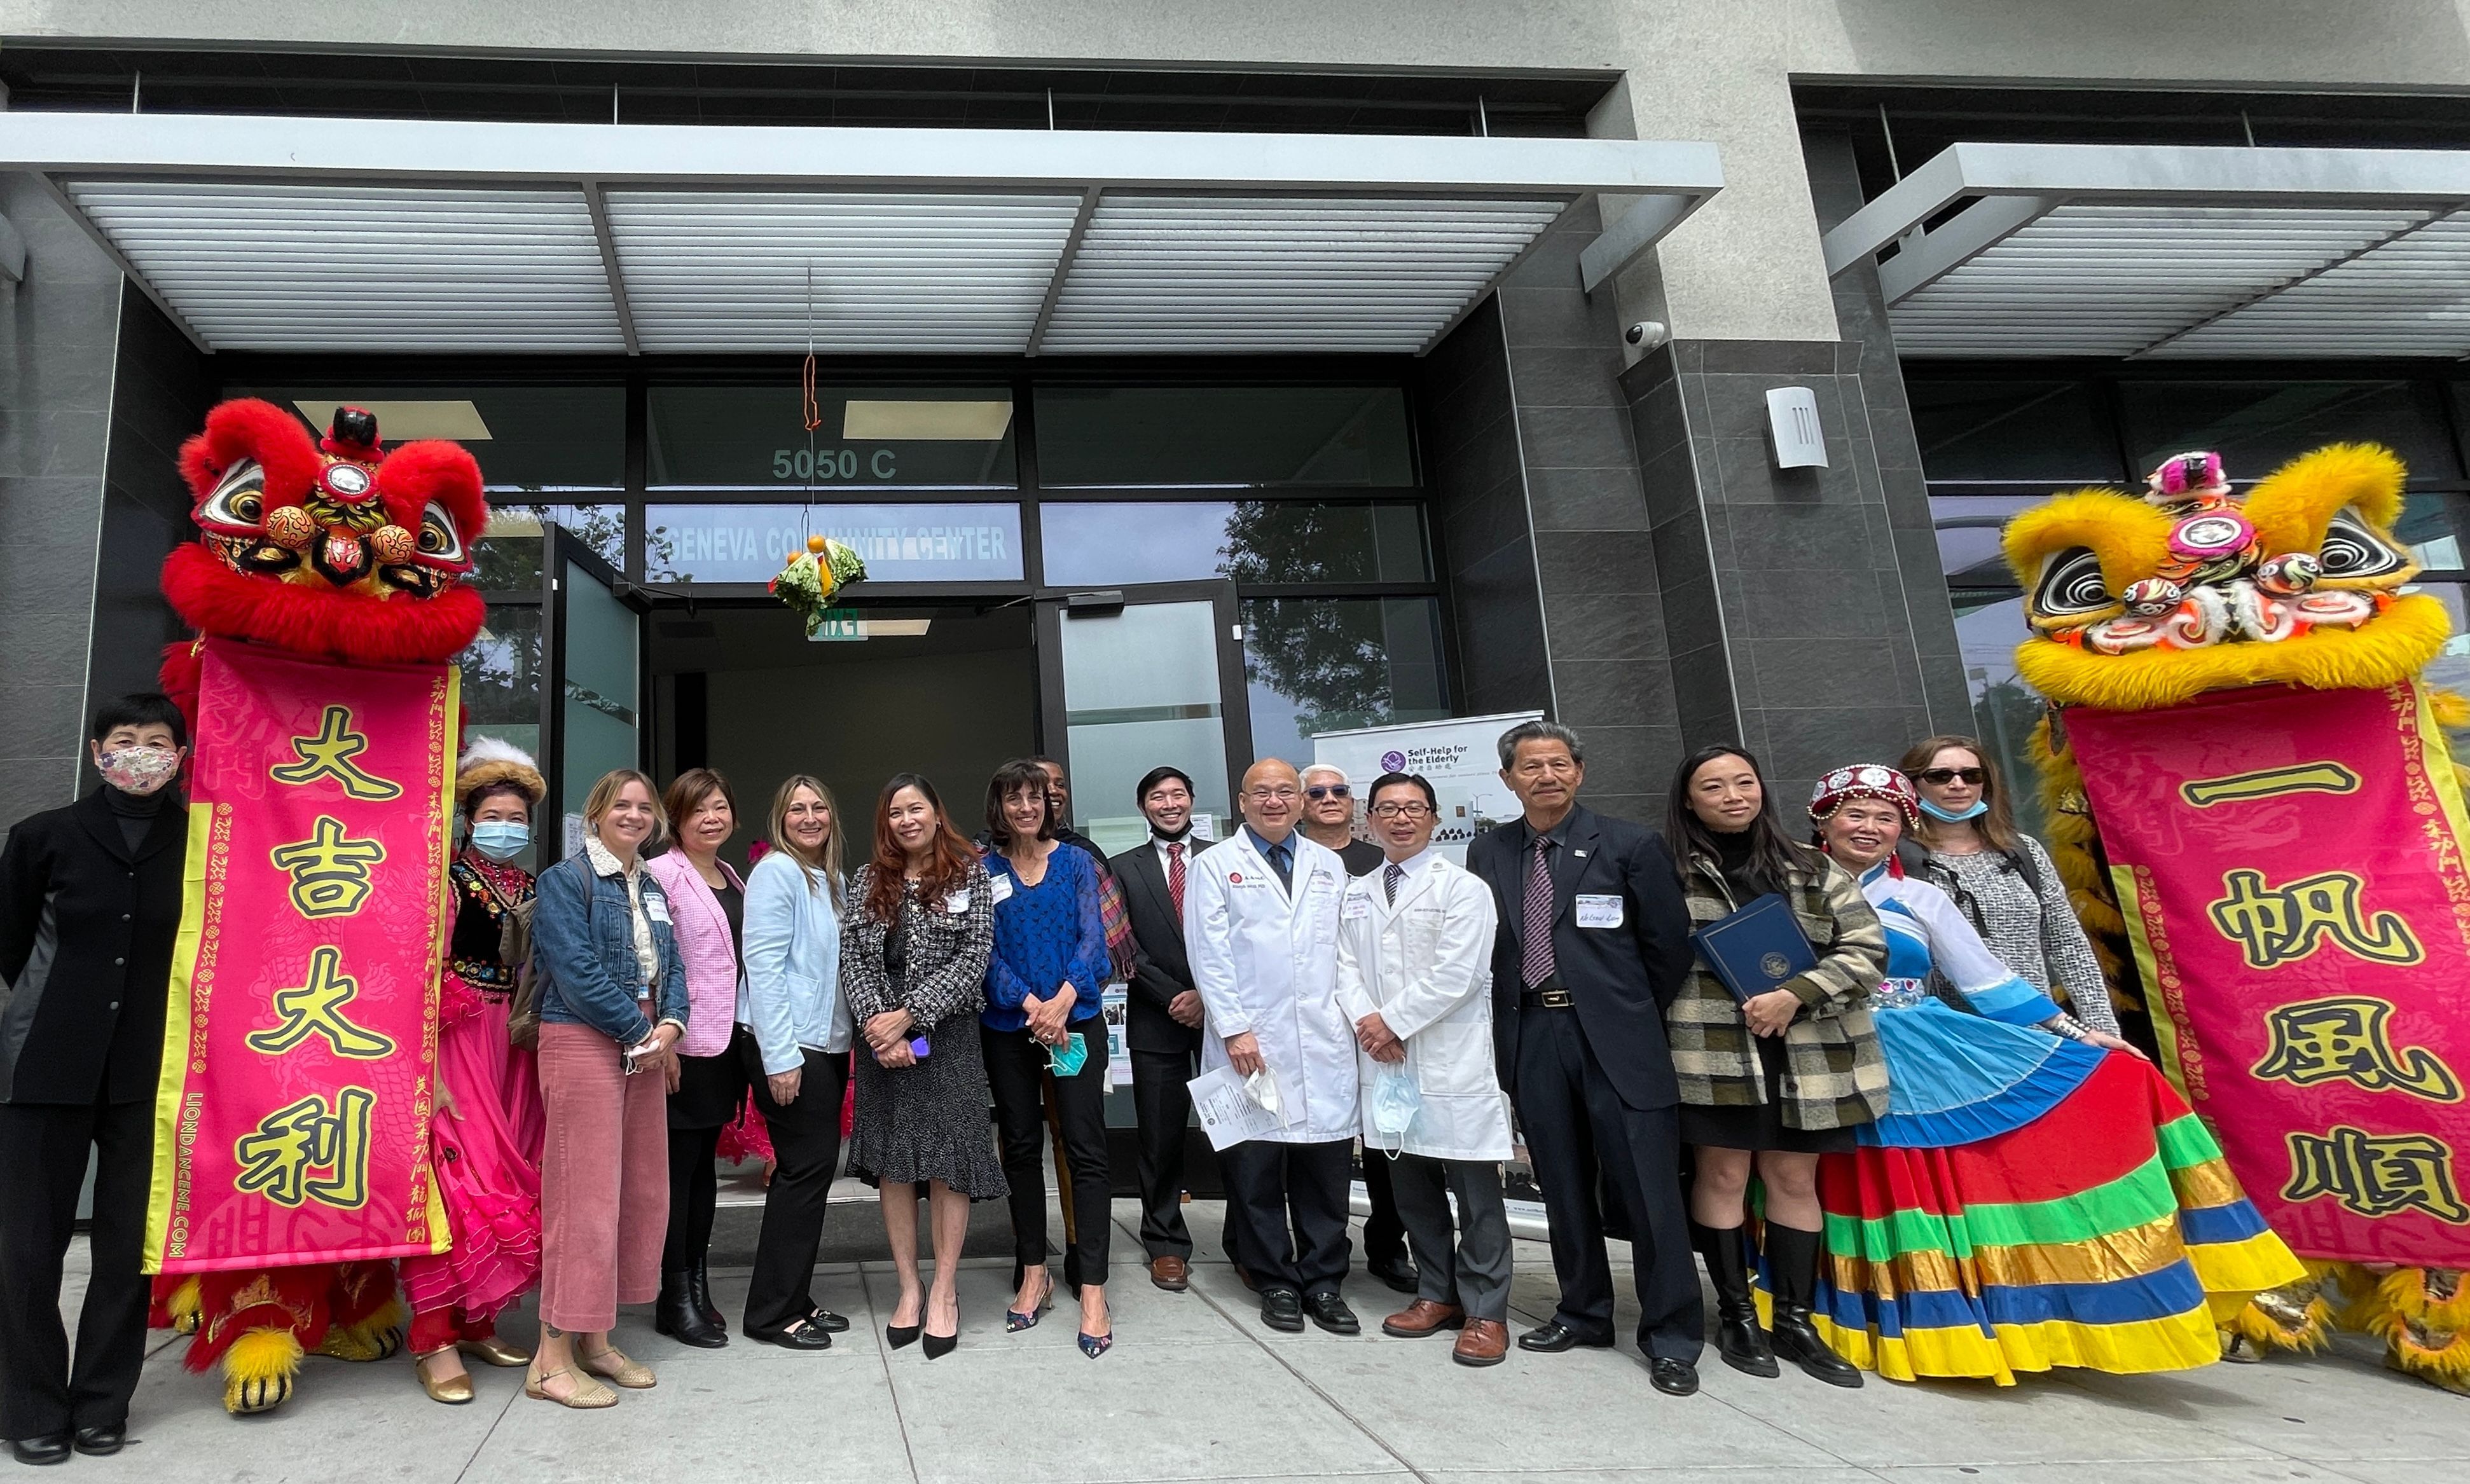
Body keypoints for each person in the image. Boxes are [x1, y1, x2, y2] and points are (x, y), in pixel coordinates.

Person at [1805, 764, 2304, 1383]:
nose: (1869, 828)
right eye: (1854, 813)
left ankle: (1932, 1323)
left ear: (1904, 828)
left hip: (1916, 1056)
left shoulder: (1920, 897)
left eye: (1885, 818)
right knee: (1832, 1180)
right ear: (1822, 819)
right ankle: (1828, 1314)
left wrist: (2073, 1032)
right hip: (1817, 1046)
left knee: (1912, 1179)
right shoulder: (1786, 885)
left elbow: (1984, 981)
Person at [1465, 721, 1702, 1397]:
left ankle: (1671, 1337)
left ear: (1579, 772)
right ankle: (1582, 1312)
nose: (1546, 776)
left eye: (1558, 764)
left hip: (1616, 1038)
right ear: (1507, 778)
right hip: (1531, 1036)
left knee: (1647, 1193)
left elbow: (1667, 946)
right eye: (1530, 766)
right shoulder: (1489, 850)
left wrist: (1620, 1009)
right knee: (1562, 1186)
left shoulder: (1629, 844)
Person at [0, 696, 188, 1463]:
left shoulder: (204, 839)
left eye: (157, 742)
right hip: (45, 1064)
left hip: (154, 1069)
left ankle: (103, 1402)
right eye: (124, 741)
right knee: (27, 1244)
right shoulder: (44, 837)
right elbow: (9, 948)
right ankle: (32, 1405)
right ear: (96, 750)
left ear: (180, 754)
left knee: (124, 1246)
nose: (140, 754)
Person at [1665, 745, 1887, 1391]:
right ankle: (1735, 1314)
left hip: (1807, 1051)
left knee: (1794, 1181)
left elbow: (1867, 949)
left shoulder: (1811, 867)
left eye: (1743, 782)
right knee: (1723, 1173)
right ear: (1688, 800)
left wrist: (1798, 992)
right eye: (1713, 786)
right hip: (1708, 1051)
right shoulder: (1667, 871)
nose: (1733, 795)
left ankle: (1794, 1319)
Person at [1335, 773, 1512, 1368]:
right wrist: (1368, 1022)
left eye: (1413, 808)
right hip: (1385, 1060)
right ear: (1369, 821)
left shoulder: (1464, 889)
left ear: (1435, 818)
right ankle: (1437, 1293)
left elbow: (1459, 975)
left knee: (1476, 1194)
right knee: (1412, 1189)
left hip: (1449, 1058)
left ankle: (1487, 1309)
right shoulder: (1354, 892)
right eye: (1387, 809)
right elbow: (1341, 968)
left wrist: (1392, 1023)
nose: (1401, 819)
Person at [527, 769, 688, 1408]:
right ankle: (549, 1359)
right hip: (583, 1038)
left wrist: (670, 1024)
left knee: (637, 1190)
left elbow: (671, 966)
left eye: (644, 807)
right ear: (594, 814)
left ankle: (594, 1341)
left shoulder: (649, 884)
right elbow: (573, 972)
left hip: (642, 1039)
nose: (634, 815)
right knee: (582, 1197)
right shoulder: (564, 882)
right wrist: (639, 1031)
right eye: (620, 805)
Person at [1187, 759, 1360, 1336]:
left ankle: (1326, 1282)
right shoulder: (1214, 865)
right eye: (1262, 793)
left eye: (1288, 792)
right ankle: (1277, 1282)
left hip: (1324, 1039)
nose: (1275, 802)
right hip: (1250, 1043)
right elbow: (1207, 954)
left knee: (1325, 1172)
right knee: (1257, 1173)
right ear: (1242, 802)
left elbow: (1346, 952)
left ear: (1304, 801)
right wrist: (1234, 1029)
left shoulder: (1329, 865)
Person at [402, 739, 548, 1405]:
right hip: (455, 1036)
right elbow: (416, 970)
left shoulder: (531, 883)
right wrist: (424, 1065)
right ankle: (432, 1336)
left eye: (517, 816)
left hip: (513, 1042)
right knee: (455, 1181)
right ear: (469, 817)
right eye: (494, 814)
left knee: (512, 1173)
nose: (506, 826)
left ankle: (477, 1320)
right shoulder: (446, 878)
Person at [841, 774, 1003, 1359]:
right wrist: (879, 1027)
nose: (906, 820)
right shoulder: (866, 880)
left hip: (947, 1036)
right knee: (895, 1164)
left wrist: (910, 1017)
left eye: (916, 809)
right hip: (881, 1039)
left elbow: (974, 958)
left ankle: (945, 1291)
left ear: (937, 814)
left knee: (948, 1162)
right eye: (894, 812)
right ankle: (908, 1288)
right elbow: (854, 960)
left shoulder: (970, 875)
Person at [981, 760, 1115, 1358]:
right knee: (1019, 1147)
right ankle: (1034, 1271)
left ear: (1048, 803)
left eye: (1035, 797)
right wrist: (1030, 1004)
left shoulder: (1078, 863)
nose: (1026, 807)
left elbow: (1095, 940)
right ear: (1000, 807)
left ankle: (1093, 1287)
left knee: (1085, 1149)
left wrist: (1062, 1001)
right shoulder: (980, 871)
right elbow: (980, 951)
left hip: (1074, 1025)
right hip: (1011, 1027)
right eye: (1014, 798)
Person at [737, 774, 855, 1350]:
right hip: (790, 1048)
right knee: (802, 1173)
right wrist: (780, 1057)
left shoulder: (829, 880)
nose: (809, 818)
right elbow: (763, 967)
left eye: (819, 808)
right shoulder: (777, 873)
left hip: (826, 1046)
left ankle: (795, 1297)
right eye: (797, 809)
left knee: (812, 1173)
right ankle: (770, 1314)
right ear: (780, 819)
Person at [1899, 735, 2120, 1038]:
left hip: (2039, 1029)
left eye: (1971, 775)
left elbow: (2067, 943)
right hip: (1953, 1037)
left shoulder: (2023, 850)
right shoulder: (1897, 860)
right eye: (1940, 776)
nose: (1958, 784)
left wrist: (2102, 1027)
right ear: (1913, 785)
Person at [1110, 767, 1234, 1293]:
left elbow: (1245, 934)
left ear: (1192, 800)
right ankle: (1165, 1242)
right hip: (1155, 1017)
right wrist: (1175, 997)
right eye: (1157, 797)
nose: (1169, 804)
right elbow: (1123, 945)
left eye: (1178, 794)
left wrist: (1209, 997)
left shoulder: (1227, 858)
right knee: (1160, 1137)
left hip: (1226, 1019)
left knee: (1237, 1132)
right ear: (1143, 808)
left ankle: (1248, 1242)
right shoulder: (1121, 868)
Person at [1299, 761, 1416, 1296]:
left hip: (1378, 1023)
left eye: (1339, 791)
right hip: (1311, 1021)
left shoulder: (1381, 861)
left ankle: (1389, 1245)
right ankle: (1315, 1250)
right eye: (1316, 791)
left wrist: (1384, 1017)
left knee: (1386, 1137)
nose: (1328, 798)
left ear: (1354, 804)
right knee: (1312, 1142)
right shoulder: (1290, 860)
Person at [643, 769, 750, 1350]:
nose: (712, 818)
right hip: (679, 1046)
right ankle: (673, 1296)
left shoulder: (732, 876)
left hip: (723, 1044)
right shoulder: (662, 875)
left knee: (704, 1170)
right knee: (677, 1176)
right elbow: (650, 961)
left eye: (720, 807)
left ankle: (699, 1286)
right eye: (698, 810)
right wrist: (663, 1040)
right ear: (676, 819)